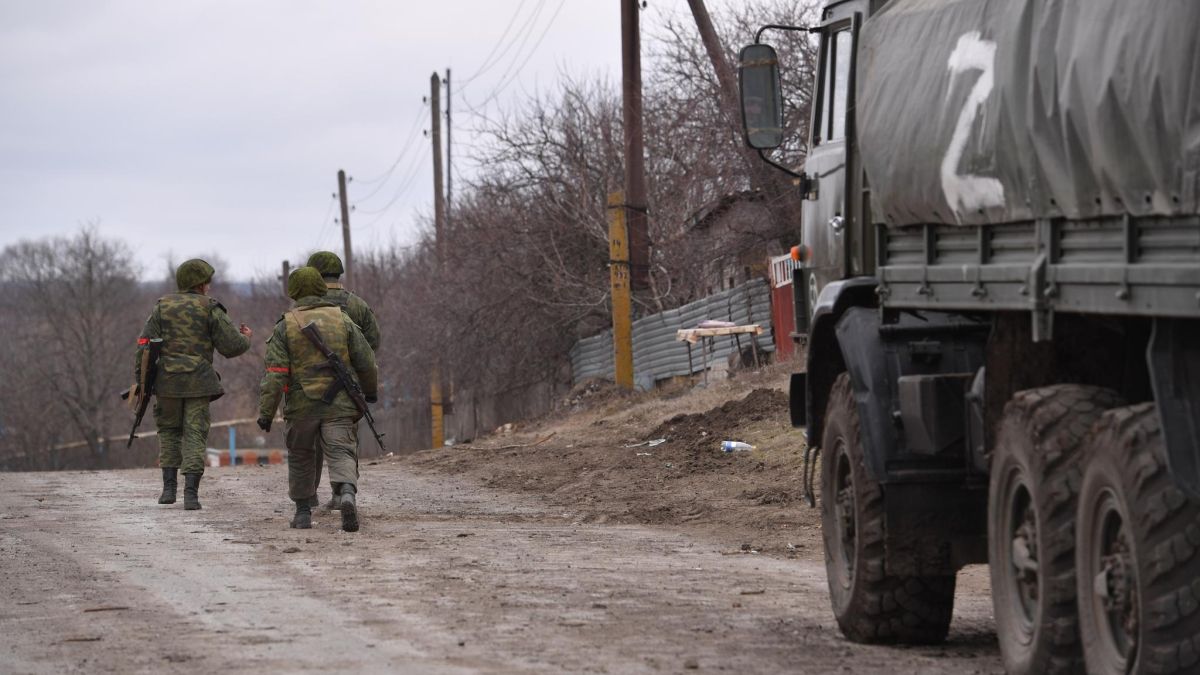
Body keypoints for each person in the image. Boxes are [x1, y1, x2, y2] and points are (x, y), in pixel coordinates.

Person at [256, 267, 378, 531]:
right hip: (340, 404)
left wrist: (266, 412)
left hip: (301, 407)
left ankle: (302, 513)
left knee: (301, 455)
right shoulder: (342, 319)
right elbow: (367, 362)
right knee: (341, 450)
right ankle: (346, 492)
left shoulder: (285, 325)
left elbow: (275, 375)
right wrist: (369, 392)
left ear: (294, 292)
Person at [136, 258, 252, 510]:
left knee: (168, 431)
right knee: (194, 432)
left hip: (166, 381)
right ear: (200, 284)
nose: (209, 287)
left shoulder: (161, 307)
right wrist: (246, 338)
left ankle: (168, 490)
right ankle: (191, 495)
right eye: (207, 283)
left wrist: (142, 383)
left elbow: (144, 348)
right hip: (198, 381)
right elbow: (231, 347)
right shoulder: (210, 308)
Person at [305, 251, 381, 509]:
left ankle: (309, 494)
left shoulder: (304, 306)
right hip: (347, 387)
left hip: (308, 385)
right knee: (344, 440)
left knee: (310, 441)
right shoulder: (357, 304)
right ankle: (342, 493)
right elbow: (371, 345)